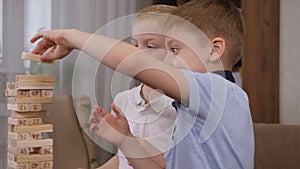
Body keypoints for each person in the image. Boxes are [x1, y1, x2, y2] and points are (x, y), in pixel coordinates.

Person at [30, 0, 254, 168]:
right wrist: (125, 140)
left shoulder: (218, 92)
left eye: (175, 49)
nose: (169, 59)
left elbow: (135, 63)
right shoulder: (195, 108)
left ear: (214, 49)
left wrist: (71, 37)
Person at [97, 5, 177, 169]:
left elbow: (175, 163)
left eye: (150, 46)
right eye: (134, 45)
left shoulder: (180, 105)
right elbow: (122, 158)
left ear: (175, 51)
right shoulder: (123, 100)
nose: (137, 53)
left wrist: (131, 141)